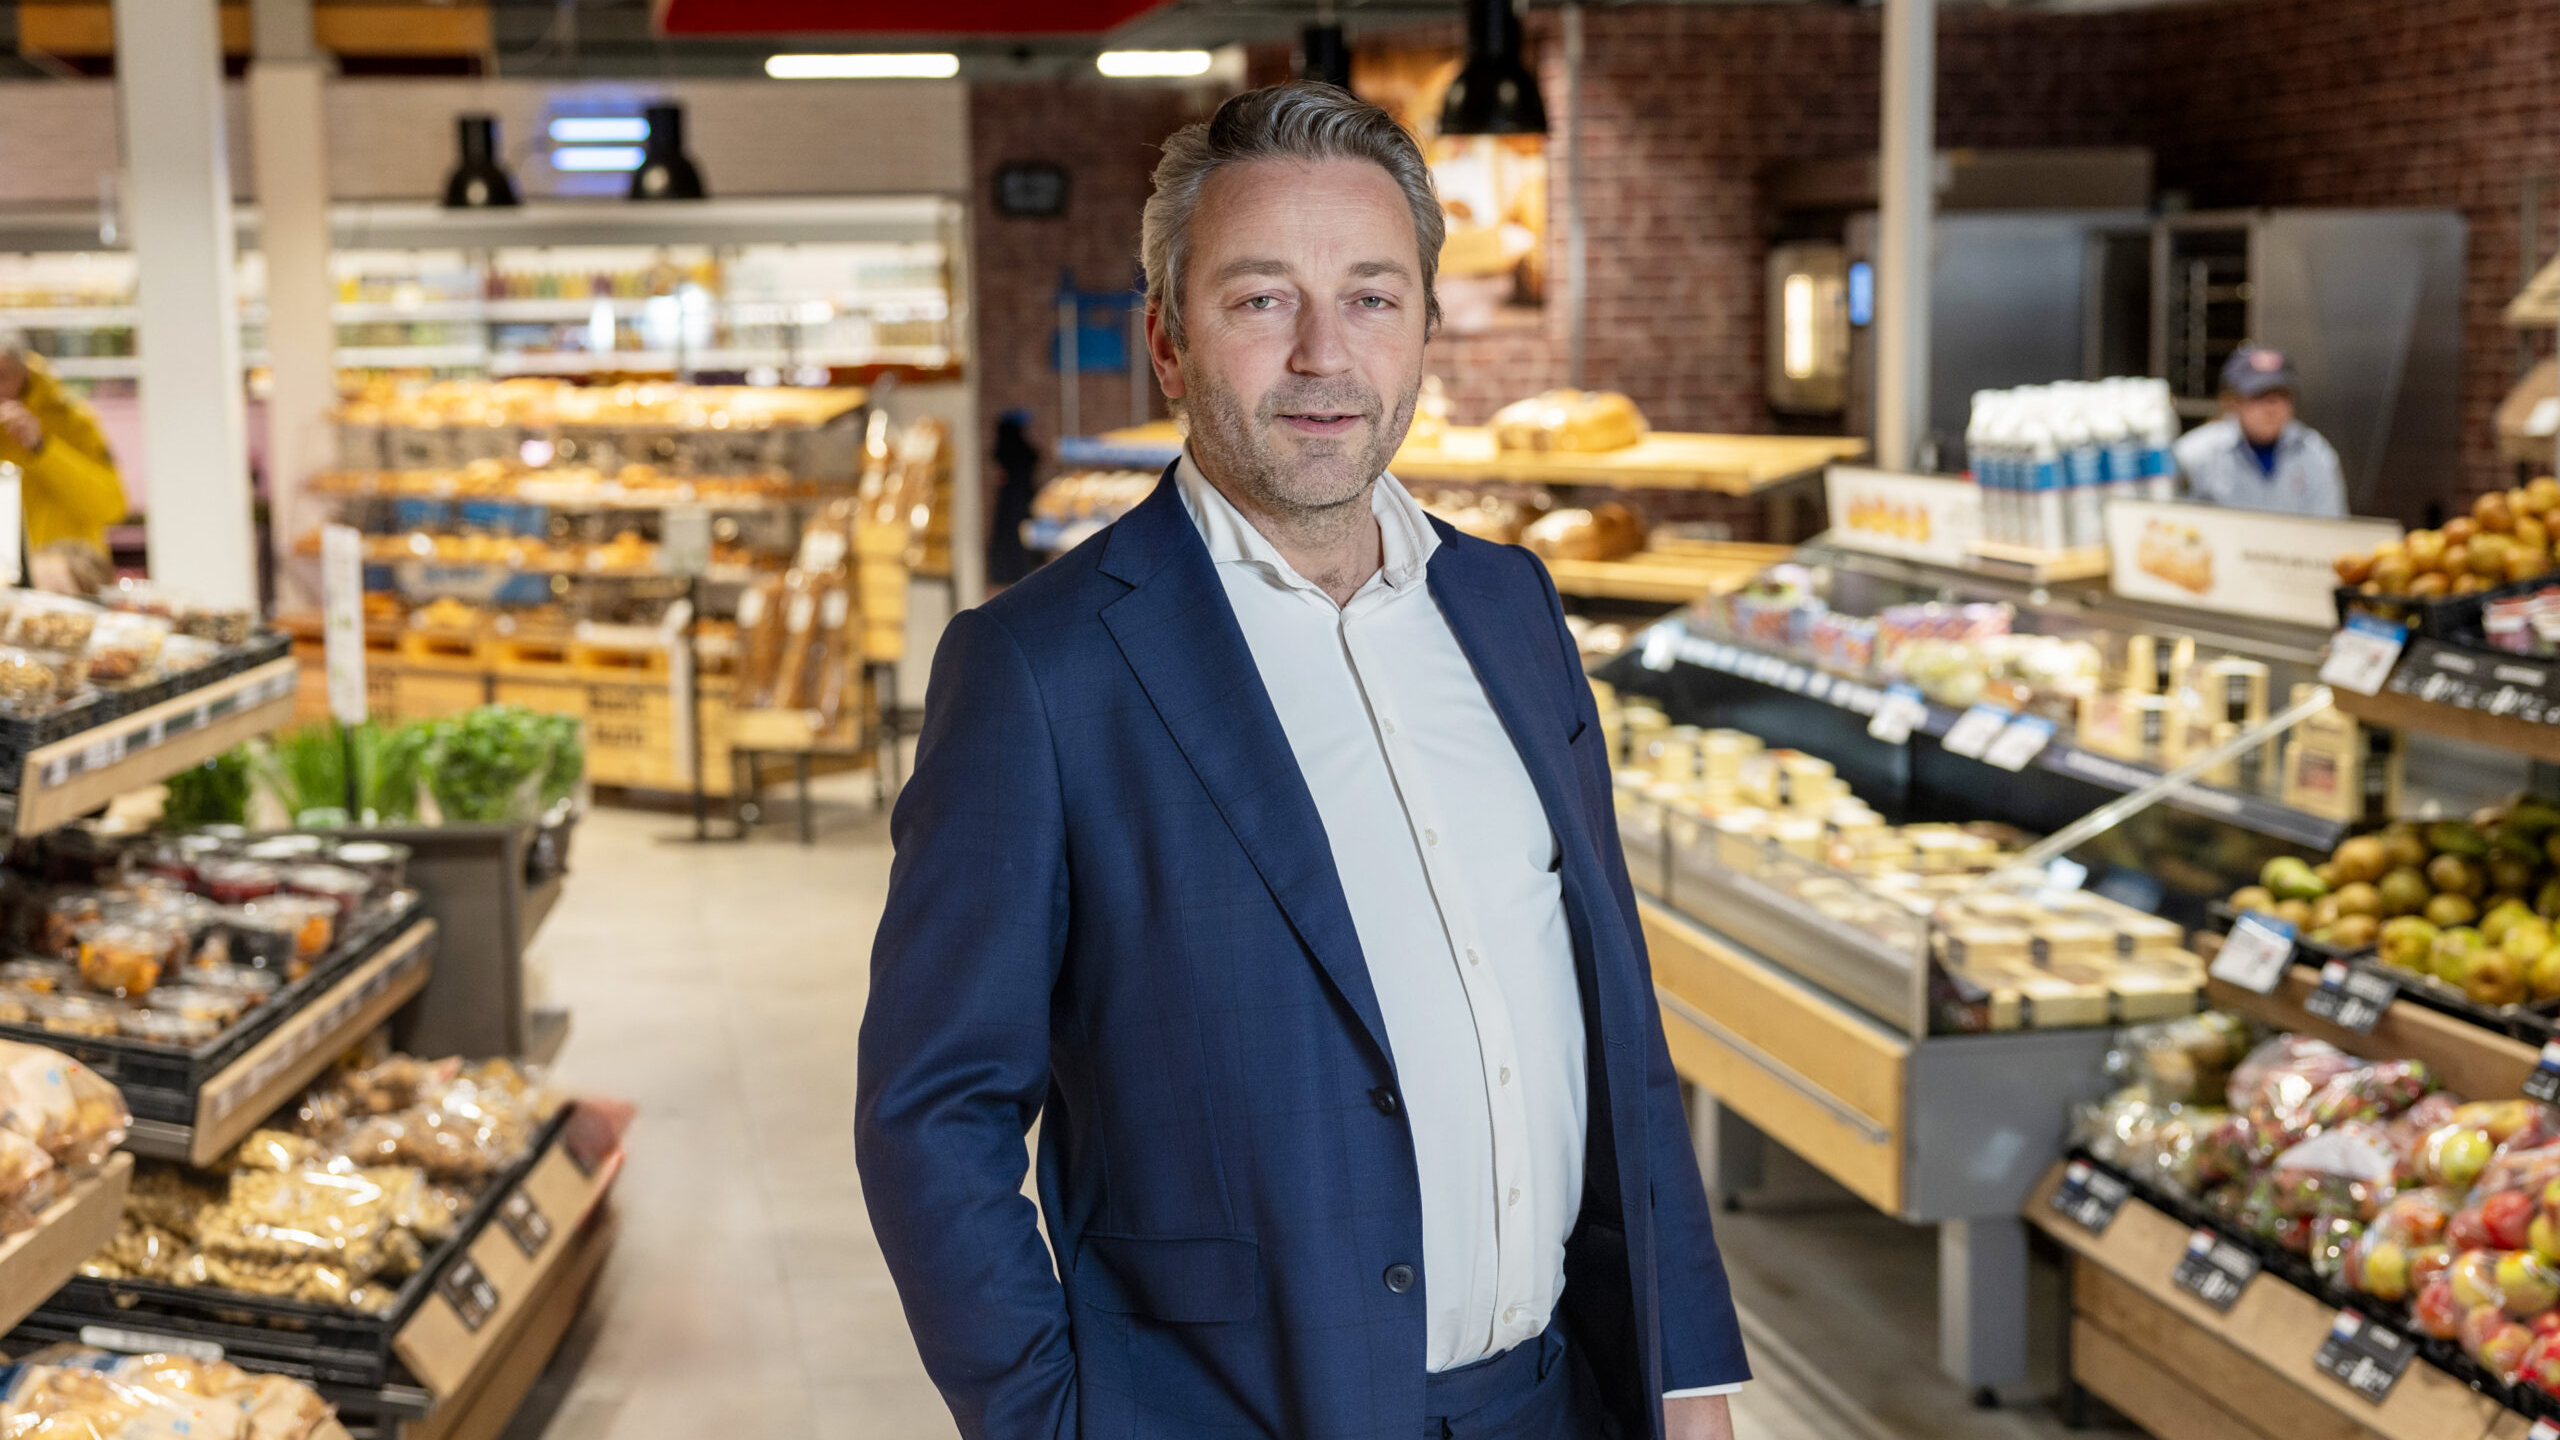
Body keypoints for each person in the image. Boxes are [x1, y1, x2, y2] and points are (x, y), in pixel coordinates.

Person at [857, 83, 1745, 1440]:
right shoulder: (1041, 672)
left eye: (1374, 298)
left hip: (1559, 1404)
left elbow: (1614, 1028)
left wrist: (1688, 1373)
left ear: (1426, 333)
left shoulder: (1513, 610)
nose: (1326, 354)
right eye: (1261, 300)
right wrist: (1054, 1425)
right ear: (1168, 340)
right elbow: (934, 1114)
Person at [2172, 344, 2348, 517]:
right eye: (2258, 395)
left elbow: (2332, 531)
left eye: (2280, 395)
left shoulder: (2316, 454)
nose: (2271, 408)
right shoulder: (2193, 453)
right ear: (2235, 401)